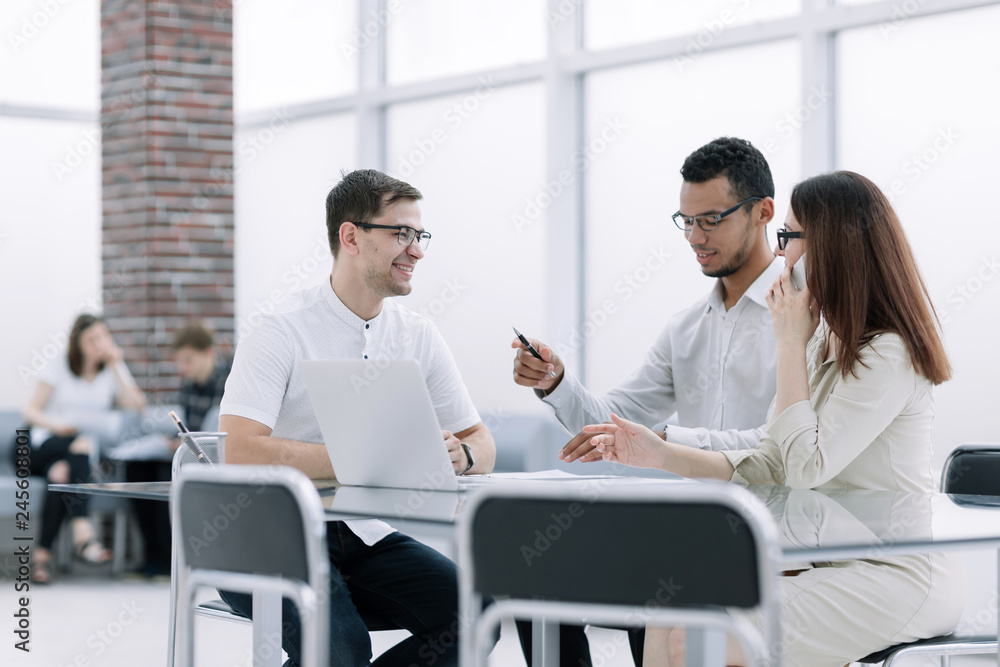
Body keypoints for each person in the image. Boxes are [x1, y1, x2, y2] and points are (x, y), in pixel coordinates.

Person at [584, 171, 964, 666]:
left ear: (831, 247)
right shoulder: (824, 341)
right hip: (825, 560)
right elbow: (772, 456)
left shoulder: (888, 353)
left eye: (788, 237)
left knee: (697, 639)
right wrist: (660, 454)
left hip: (893, 574)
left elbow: (806, 467)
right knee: (671, 615)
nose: (780, 254)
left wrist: (787, 341)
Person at [511, 136, 783, 665]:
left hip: (767, 534)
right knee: (534, 577)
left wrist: (662, 444)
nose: (695, 238)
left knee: (660, 592)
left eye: (711, 220)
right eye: (686, 221)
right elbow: (614, 423)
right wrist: (556, 381)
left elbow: (782, 443)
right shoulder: (685, 330)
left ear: (762, 212)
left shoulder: (797, 314)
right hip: (688, 535)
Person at [216, 168, 496, 667]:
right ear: (351, 236)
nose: (417, 250)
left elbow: (482, 442)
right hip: (264, 536)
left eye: (420, 235)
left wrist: (465, 452)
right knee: (339, 647)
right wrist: (369, 461)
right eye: (401, 233)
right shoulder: (280, 331)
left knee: (477, 614)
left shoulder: (418, 335)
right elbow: (238, 451)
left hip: (360, 534)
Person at [21, 313, 147, 583]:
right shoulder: (59, 366)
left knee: (62, 474)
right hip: (42, 442)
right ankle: (83, 533)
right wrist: (56, 425)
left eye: (103, 337)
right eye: (91, 340)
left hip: (76, 452)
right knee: (79, 445)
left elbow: (137, 406)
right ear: (77, 344)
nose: (98, 344)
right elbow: (30, 411)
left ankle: (41, 560)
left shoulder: (111, 370)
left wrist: (116, 366)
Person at [124, 321, 231, 577]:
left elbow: (217, 435)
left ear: (209, 354)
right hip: (191, 452)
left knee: (166, 473)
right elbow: (190, 427)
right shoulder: (190, 385)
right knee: (137, 468)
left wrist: (186, 442)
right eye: (180, 362)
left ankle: (169, 561)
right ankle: (152, 557)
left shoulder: (228, 382)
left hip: (215, 460)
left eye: (188, 361)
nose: (183, 369)